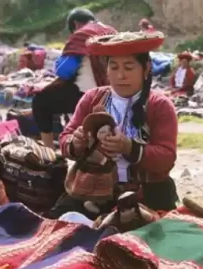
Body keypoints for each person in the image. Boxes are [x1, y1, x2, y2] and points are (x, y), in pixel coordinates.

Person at [55, 30, 178, 219]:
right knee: (63, 225)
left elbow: (167, 158)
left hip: (148, 194)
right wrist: (76, 142)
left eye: (129, 67)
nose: (120, 75)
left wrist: (128, 147)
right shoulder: (92, 99)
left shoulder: (159, 106)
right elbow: (65, 140)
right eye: (114, 67)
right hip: (92, 191)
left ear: (146, 69)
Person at [32, 8, 117, 148]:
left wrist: (59, 62)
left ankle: (49, 151)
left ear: (76, 24)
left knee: (40, 101)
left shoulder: (82, 34)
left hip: (88, 95)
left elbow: (65, 71)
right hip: (113, 93)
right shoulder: (111, 31)